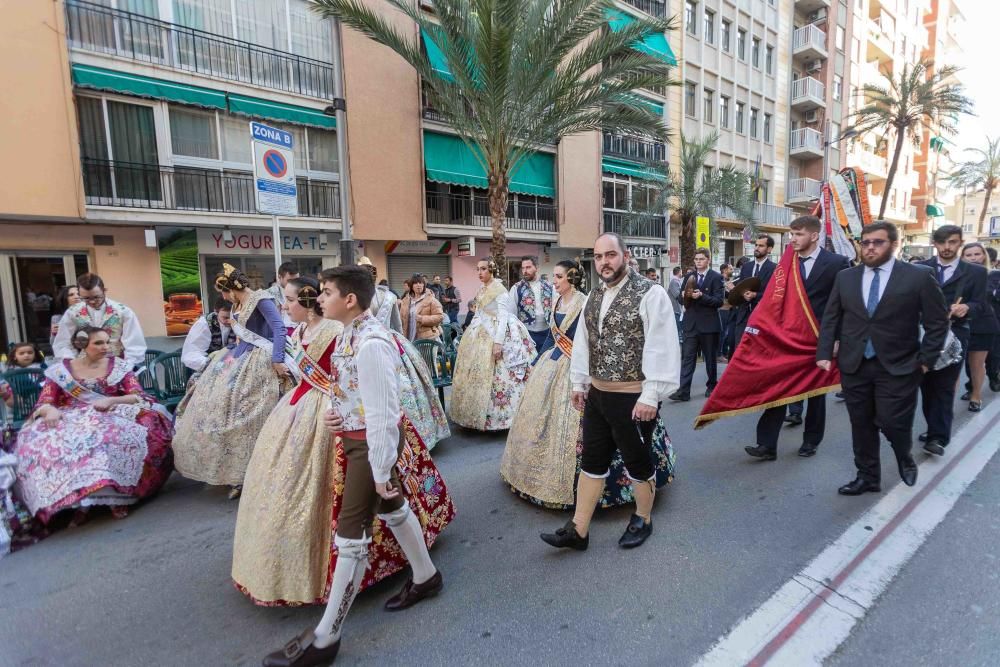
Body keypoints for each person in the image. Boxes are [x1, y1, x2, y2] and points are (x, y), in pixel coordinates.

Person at [263, 266, 454, 667]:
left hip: (371, 446)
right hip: (359, 440)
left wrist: (381, 469)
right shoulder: (349, 334)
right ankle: (425, 576)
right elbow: (351, 390)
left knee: (351, 534)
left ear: (349, 300)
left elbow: (385, 414)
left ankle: (325, 637)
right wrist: (338, 412)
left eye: (328, 292)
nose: (321, 298)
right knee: (393, 508)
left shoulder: (371, 343)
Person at [540, 233, 679, 551]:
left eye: (610, 255)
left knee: (636, 461)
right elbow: (585, 344)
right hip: (598, 395)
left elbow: (662, 345)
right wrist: (579, 383)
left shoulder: (651, 293)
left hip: (632, 397)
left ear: (625, 255)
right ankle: (579, 530)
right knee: (592, 460)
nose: (604, 261)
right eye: (599, 256)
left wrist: (651, 395)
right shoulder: (593, 297)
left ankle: (643, 517)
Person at [501, 259, 676, 509]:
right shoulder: (558, 302)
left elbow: (594, 339)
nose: (554, 282)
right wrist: (539, 359)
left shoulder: (586, 301)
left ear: (571, 278)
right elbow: (553, 336)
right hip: (555, 363)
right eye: (554, 277)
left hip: (589, 371)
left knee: (616, 437)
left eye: (559, 277)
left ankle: (636, 502)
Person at [817, 221, 949, 494]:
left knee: (893, 421)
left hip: (899, 364)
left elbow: (937, 323)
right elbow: (831, 317)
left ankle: (904, 455)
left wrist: (925, 360)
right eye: (866, 242)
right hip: (855, 363)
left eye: (878, 242)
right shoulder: (847, 277)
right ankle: (868, 477)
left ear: (893, 244)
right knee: (861, 423)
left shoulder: (918, 276)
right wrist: (824, 352)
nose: (870, 248)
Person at [12, 327, 174, 523]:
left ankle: (117, 496)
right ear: (81, 345)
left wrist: (111, 401)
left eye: (107, 342)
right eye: (98, 343)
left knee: (106, 439)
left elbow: (139, 396)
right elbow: (44, 402)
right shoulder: (60, 371)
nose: (106, 347)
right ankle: (75, 500)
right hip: (70, 416)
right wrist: (49, 410)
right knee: (43, 440)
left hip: (111, 412)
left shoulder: (119, 366)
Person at [172, 264, 290, 499]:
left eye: (224, 292)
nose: (224, 297)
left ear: (232, 289)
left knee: (250, 416)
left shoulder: (260, 299)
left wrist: (277, 359)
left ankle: (254, 473)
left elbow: (278, 328)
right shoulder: (237, 304)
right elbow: (240, 338)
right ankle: (233, 472)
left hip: (262, 361)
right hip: (239, 358)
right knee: (220, 408)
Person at [744, 216, 850, 462]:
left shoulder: (836, 263)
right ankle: (766, 445)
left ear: (814, 236)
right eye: (791, 234)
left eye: (798, 234)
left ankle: (811, 441)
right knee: (778, 388)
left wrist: (836, 339)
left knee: (815, 394)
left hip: (819, 339)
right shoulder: (785, 264)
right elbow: (774, 300)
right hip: (788, 339)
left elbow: (845, 305)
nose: (793, 239)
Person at [917, 225, 989, 455]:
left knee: (945, 385)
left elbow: (981, 304)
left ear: (960, 242)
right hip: (923, 334)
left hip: (956, 333)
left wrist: (967, 307)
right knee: (926, 384)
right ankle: (932, 428)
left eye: (952, 242)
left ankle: (938, 437)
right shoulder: (919, 269)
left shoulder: (975, 272)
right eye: (942, 243)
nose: (947, 247)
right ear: (934, 243)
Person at [450, 258, 535, 431]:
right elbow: (479, 312)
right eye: (478, 269)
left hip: (498, 332)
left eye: (483, 269)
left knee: (502, 375)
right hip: (480, 331)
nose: (480, 272)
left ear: (491, 270)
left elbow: (503, 317)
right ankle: (473, 414)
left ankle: (503, 418)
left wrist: (498, 343)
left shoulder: (500, 290)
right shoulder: (482, 288)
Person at [52, 273, 146, 369]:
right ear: (80, 294)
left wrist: (126, 367)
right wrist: (71, 363)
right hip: (84, 366)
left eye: (96, 297)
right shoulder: (72, 312)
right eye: (86, 298)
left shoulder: (123, 311)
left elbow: (135, 345)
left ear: (104, 291)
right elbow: (63, 342)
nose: (92, 301)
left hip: (117, 365)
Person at [670, 248, 724, 401]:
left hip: (709, 325)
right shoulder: (689, 276)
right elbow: (681, 300)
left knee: (710, 358)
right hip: (691, 324)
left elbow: (719, 301)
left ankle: (712, 385)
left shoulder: (716, 277)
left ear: (708, 260)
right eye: (696, 259)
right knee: (688, 358)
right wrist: (682, 296)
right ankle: (683, 391)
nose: (698, 261)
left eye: (701, 259)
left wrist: (701, 296)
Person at [959, 242, 998, 411]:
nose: (974, 258)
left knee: (977, 364)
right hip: (960, 324)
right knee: (960, 364)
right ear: (962, 258)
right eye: (969, 255)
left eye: (977, 254)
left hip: (983, 324)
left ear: (984, 256)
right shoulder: (957, 276)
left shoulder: (993, 275)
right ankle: (971, 388)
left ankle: (976, 395)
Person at [732, 235, 777, 345]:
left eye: (761, 246)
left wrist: (755, 295)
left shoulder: (775, 268)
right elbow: (741, 287)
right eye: (756, 245)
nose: (757, 248)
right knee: (740, 349)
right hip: (743, 316)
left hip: (763, 318)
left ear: (769, 249)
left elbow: (774, 294)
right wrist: (738, 291)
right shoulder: (746, 266)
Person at [506, 256, 555, 352]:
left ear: (536, 267)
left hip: (547, 333)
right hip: (526, 334)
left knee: (545, 363)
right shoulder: (516, 288)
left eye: (528, 267)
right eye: (523, 268)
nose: (525, 271)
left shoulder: (549, 286)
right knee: (530, 364)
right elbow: (511, 314)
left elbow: (555, 308)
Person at [180, 298, 235, 372]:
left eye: (232, 317)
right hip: (206, 369)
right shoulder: (203, 324)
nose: (229, 321)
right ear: (216, 312)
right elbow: (191, 354)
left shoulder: (238, 322)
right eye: (225, 317)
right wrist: (215, 365)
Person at [358, 257, 403, 333]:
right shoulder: (354, 296)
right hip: (360, 340)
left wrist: (400, 339)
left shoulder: (389, 296)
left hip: (383, 339)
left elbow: (397, 324)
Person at [399, 274, 445, 342]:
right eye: (415, 283)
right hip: (409, 337)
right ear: (411, 286)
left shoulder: (430, 299)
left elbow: (440, 316)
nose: (418, 285)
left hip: (427, 339)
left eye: (420, 283)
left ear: (424, 285)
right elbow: (400, 318)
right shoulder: (406, 300)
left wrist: (423, 319)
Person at [267, 262, 300, 329]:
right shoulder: (269, 294)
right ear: (279, 277)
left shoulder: (302, 291)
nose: (293, 283)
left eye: (296, 280)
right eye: (289, 280)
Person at [667, 266, 683, 341]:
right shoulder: (674, 281)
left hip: (678, 308)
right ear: (679, 272)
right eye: (681, 272)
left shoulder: (677, 281)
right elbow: (677, 295)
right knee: (678, 329)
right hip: (675, 309)